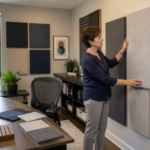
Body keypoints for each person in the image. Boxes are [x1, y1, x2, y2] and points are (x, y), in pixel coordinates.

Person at [81, 26, 142, 150]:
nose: (102, 39)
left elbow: (111, 63)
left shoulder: (98, 53)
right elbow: (105, 79)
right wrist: (128, 82)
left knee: (102, 128)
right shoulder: (87, 60)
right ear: (90, 41)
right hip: (93, 98)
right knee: (91, 130)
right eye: (99, 37)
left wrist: (123, 50)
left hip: (104, 96)